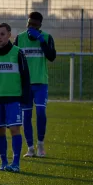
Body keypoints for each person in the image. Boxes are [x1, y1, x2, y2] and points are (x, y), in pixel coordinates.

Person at [0, 23, 31, 173]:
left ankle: (15, 163)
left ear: (9, 35)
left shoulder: (18, 53)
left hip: (13, 98)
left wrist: (25, 96)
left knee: (15, 129)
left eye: (2, 34)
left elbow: (25, 76)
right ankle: (4, 162)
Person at [14, 11, 57, 158]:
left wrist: (41, 41)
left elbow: (51, 57)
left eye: (34, 25)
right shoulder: (19, 39)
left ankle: (40, 145)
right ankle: (30, 148)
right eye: (29, 24)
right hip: (25, 85)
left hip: (40, 83)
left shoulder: (46, 38)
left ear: (39, 26)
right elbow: (13, 59)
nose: (31, 27)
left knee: (40, 113)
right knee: (26, 115)